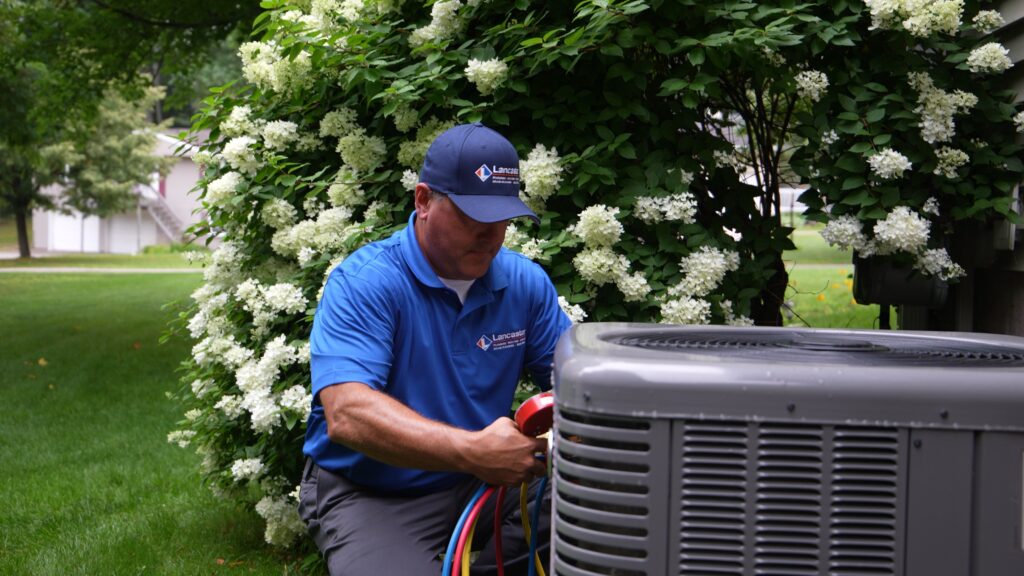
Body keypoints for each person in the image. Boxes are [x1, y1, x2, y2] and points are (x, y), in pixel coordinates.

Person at [298, 122, 573, 575]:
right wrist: (473, 451)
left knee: (610, 515)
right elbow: (347, 414)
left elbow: (575, 384)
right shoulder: (367, 282)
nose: (491, 235)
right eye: (473, 218)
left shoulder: (524, 283)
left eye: (503, 219)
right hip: (375, 490)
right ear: (423, 201)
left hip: (487, 483)